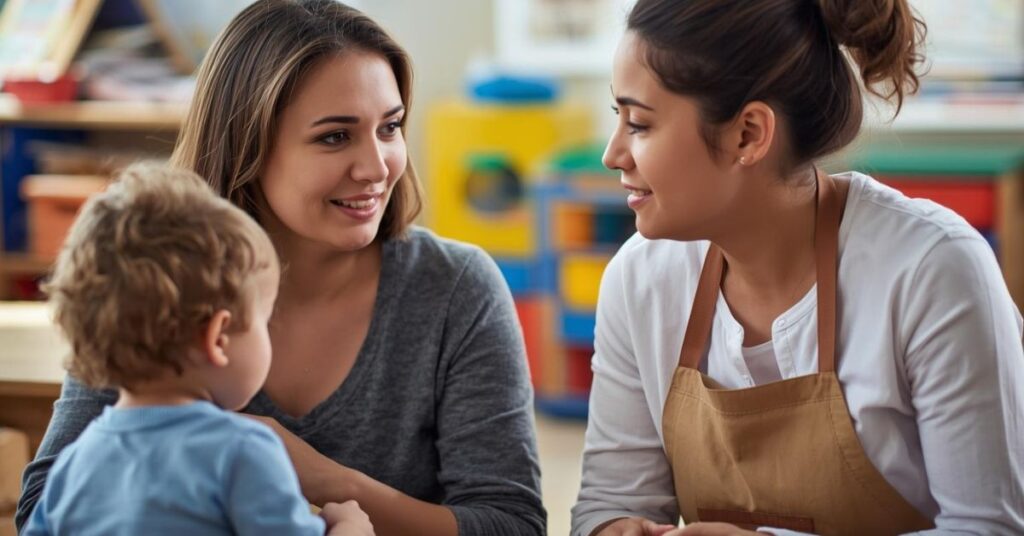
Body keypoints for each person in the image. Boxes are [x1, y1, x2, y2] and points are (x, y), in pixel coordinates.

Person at [17, 2, 544, 535]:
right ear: (247, 143)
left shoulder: (456, 289)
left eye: (390, 127)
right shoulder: (154, 278)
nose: (376, 166)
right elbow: (42, 507)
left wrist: (327, 480)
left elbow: (512, 525)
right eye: (335, 136)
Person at [572, 0, 1024, 535]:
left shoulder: (933, 270)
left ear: (748, 134)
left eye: (640, 124)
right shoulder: (639, 280)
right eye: (616, 118)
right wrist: (616, 528)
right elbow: (608, 501)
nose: (612, 153)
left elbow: (990, 529)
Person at [20, 165, 373, 536]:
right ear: (219, 337)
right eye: (263, 320)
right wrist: (350, 527)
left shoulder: (76, 462)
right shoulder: (243, 453)